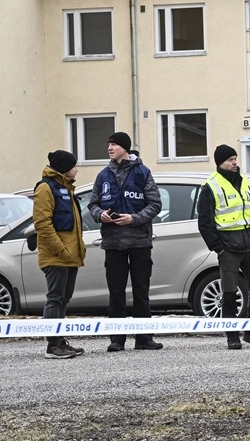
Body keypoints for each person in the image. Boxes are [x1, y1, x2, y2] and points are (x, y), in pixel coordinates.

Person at [87, 132, 164, 352]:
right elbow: (92, 204)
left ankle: (144, 338)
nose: (110, 148)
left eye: (114, 144)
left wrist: (134, 218)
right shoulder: (103, 175)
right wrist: (100, 214)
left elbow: (155, 204)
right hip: (113, 242)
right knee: (116, 291)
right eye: (108, 144)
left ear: (125, 148)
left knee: (141, 290)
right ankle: (116, 339)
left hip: (139, 240)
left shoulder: (142, 172)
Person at [197, 144, 250, 350]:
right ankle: (232, 335)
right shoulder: (210, 186)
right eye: (230, 159)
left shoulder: (247, 183)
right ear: (220, 162)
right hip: (228, 246)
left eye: (235, 158)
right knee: (229, 293)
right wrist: (218, 247)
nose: (234, 162)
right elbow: (204, 222)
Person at [34, 150, 86, 359]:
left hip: (70, 256)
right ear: (65, 168)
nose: (76, 169)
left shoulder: (66, 187)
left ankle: (60, 340)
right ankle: (53, 345)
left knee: (63, 299)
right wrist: (61, 250)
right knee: (55, 299)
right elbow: (42, 224)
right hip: (57, 256)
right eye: (74, 166)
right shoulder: (46, 188)